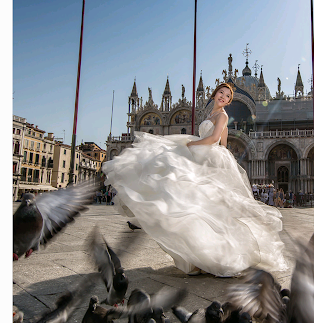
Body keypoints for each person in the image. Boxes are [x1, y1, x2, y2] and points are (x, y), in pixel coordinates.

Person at [103, 83, 288, 277]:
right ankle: (198, 257)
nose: (223, 97)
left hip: (206, 156)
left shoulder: (223, 115)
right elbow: (224, 140)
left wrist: (194, 146)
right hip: (201, 155)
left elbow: (215, 139)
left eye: (227, 96)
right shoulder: (212, 115)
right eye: (221, 93)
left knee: (198, 205)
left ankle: (207, 258)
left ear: (229, 101)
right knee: (194, 206)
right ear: (214, 94)